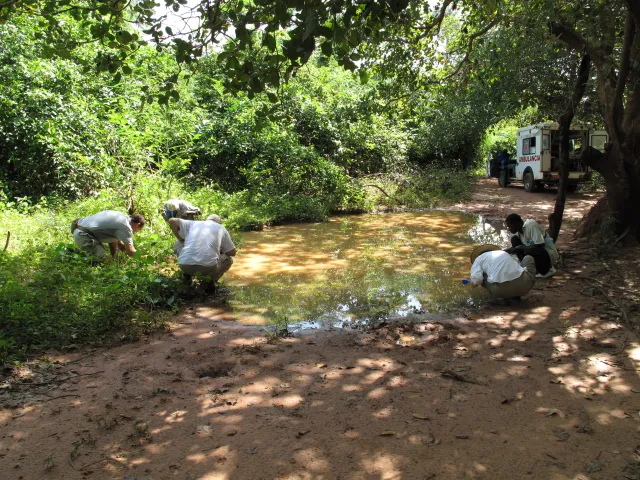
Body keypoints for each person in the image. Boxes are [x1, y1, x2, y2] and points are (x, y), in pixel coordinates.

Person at [168, 214, 236, 292]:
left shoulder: (193, 224)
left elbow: (171, 220)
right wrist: (219, 250)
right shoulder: (220, 228)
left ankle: (187, 279)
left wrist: (180, 238)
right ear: (219, 222)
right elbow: (232, 253)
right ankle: (207, 283)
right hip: (207, 267)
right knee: (228, 260)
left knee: (179, 244)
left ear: (206, 220)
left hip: (184, 265)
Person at [469, 244, 536, 303]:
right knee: (528, 258)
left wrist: (472, 284)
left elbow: (477, 280)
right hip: (525, 287)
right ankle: (517, 296)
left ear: (480, 255)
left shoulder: (478, 259)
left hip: (500, 292)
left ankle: (497, 298)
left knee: (482, 277)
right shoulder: (503, 253)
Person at [72, 210, 145, 259]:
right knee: (105, 262)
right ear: (137, 225)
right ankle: (76, 254)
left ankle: (77, 253)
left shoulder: (120, 216)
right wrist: (145, 258)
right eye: (139, 229)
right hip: (84, 235)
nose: (136, 232)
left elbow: (114, 239)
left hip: (78, 227)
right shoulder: (125, 227)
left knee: (106, 258)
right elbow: (131, 252)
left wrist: (115, 254)